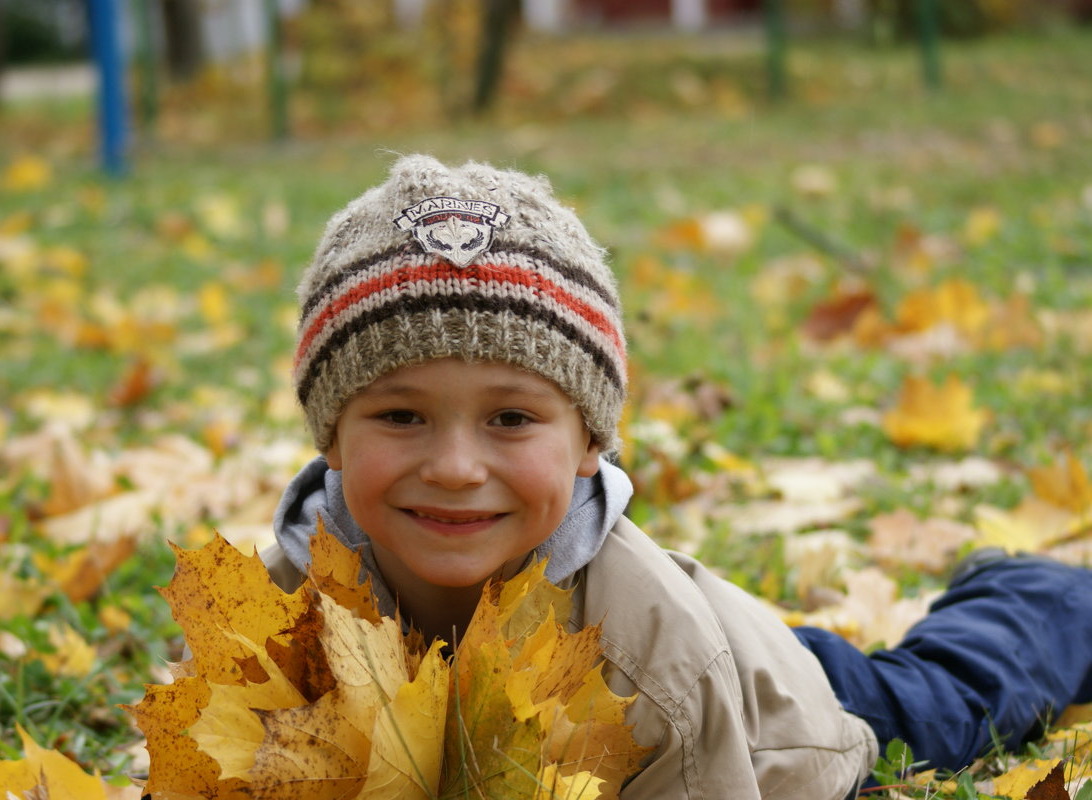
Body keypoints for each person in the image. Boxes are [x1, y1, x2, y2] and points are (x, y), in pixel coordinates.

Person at [259, 154, 1092, 799]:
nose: (454, 468)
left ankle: (1041, 597)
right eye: (401, 417)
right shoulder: (286, 593)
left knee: (947, 701)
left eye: (511, 419)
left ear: (591, 441)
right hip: (709, 657)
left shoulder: (645, 651)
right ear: (331, 434)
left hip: (781, 718)